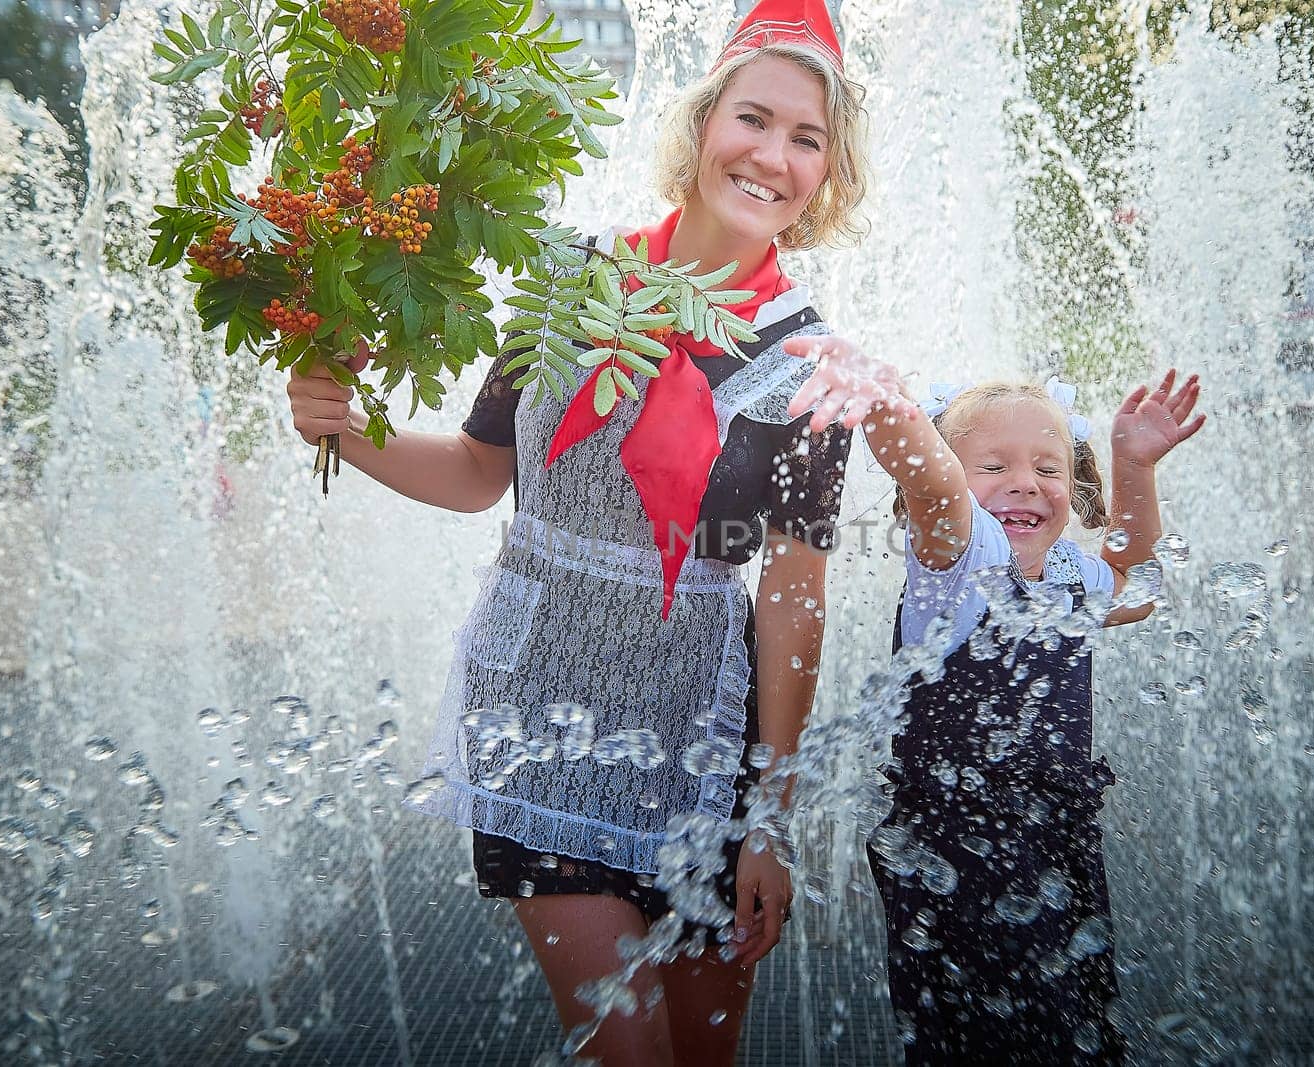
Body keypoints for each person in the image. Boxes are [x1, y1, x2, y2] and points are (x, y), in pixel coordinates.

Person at [286, 3, 878, 1063]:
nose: (772, 156)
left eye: (807, 138)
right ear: (701, 125)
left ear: (828, 174)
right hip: (539, 719)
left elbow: (793, 599)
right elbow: (476, 475)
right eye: (753, 118)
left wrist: (770, 820)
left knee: (704, 1052)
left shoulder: (815, 369)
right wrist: (350, 431)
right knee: (624, 1047)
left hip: (704, 737)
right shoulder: (567, 279)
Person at [786, 343, 1203, 1065]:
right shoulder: (958, 565)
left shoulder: (1069, 569)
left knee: (1074, 1018)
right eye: (994, 466)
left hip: (1059, 840)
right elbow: (935, 487)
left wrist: (1135, 468)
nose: (1026, 484)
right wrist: (894, 412)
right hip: (955, 851)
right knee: (978, 1033)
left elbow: (1135, 588)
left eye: (1049, 468)